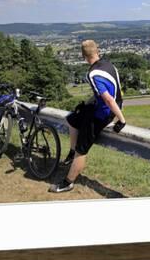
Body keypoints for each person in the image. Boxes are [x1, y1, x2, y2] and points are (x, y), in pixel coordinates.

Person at [49, 40, 126, 193]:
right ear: (97, 51)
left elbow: (108, 99)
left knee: (81, 149)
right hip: (107, 105)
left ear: (83, 55)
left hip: (104, 113)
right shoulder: (109, 64)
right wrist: (87, 104)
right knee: (72, 119)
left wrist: (121, 120)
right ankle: (71, 153)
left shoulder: (92, 74)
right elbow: (114, 92)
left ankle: (68, 182)